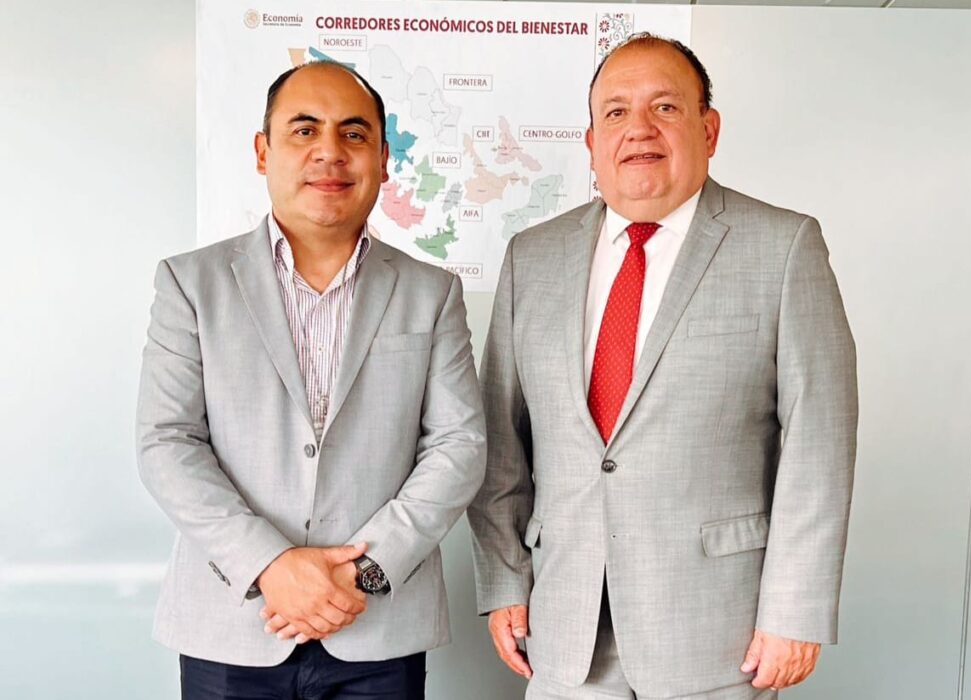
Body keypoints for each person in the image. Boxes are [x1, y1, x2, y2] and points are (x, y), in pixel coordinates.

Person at [468, 33, 858, 699]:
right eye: (616, 112)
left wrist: (795, 610)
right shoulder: (532, 256)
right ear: (592, 142)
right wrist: (504, 579)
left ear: (708, 129)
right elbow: (500, 441)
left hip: (718, 635)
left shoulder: (783, 247)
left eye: (665, 107)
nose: (638, 129)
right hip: (562, 628)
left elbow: (819, 443)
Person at [136, 60, 486, 699]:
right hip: (232, 625)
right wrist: (269, 565)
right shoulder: (191, 283)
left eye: (354, 133)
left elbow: (458, 446)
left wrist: (364, 572)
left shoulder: (432, 292)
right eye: (304, 130)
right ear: (262, 152)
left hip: (378, 626)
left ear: (383, 159)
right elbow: (167, 442)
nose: (330, 151)